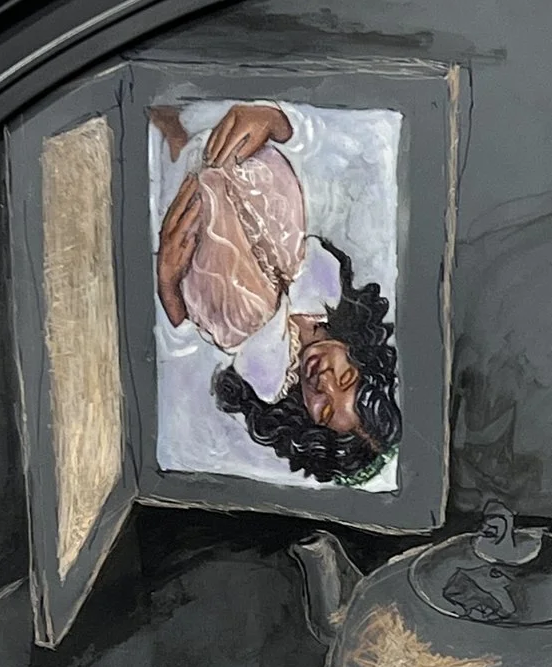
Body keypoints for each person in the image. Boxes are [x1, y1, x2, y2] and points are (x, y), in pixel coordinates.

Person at [155, 102, 401, 483]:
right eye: (347, 378)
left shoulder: (256, 354)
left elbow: (177, 350)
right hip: (227, 130)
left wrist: (168, 286)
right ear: (362, 356)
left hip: (169, 181)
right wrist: (278, 120)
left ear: (306, 423)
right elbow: (339, 145)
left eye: (323, 410)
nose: (324, 383)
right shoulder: (325, 282)